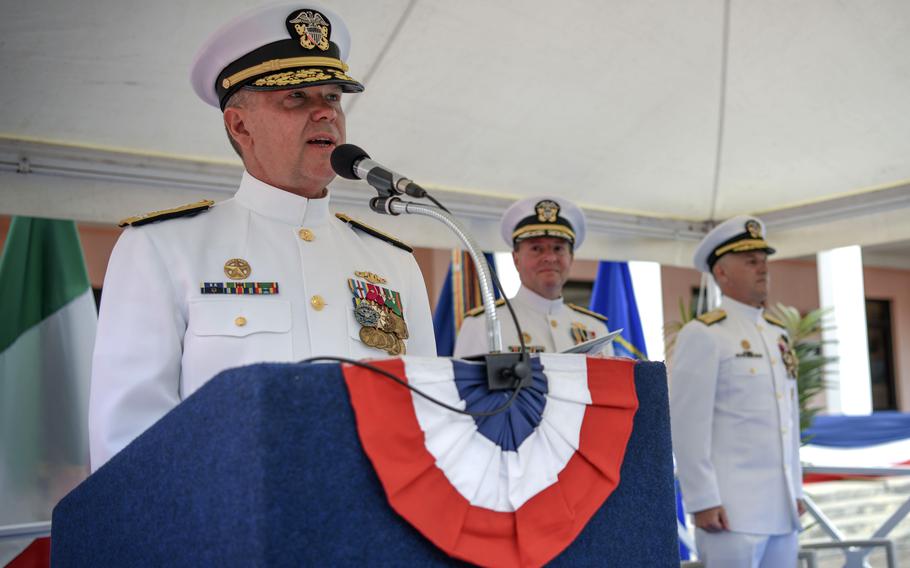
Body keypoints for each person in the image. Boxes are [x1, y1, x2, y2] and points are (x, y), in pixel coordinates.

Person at [89, 2, 436, 471]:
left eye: (332, 97)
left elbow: (427, 420)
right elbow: (127, 439)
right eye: (297, 98)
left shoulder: (393, 263)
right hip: (228, 532)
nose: (325, 114)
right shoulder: (162, 248)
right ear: (240, 124)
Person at [669, 215, 803, 567]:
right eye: (750, 261)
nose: (762, 269)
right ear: (722, 274)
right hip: (731, 511)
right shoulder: (704, 334)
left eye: (763, 261)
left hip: (781, 507)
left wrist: (797, 490)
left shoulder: (778, 335)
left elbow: (789, 420)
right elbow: (687, 425)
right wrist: (701, 500)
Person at [453, 196, 614, 357]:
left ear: (571, 258)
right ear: (516, 259)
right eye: (537, 248)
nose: (550, 257)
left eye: (558, 248)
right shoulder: (482, 325)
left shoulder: (596, 330)